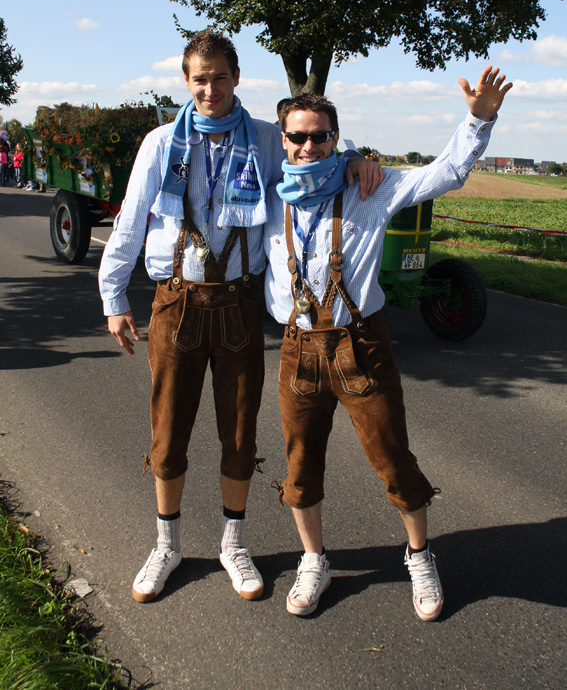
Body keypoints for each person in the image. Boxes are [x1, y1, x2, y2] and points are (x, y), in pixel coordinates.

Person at [98, 30, 381, 605]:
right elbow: (130, 222)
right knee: (168, 428)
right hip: (175, 301)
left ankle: (233, 541)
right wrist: (114, 297)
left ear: (236, 77)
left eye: (219, 77)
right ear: (186, 81)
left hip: (239, 303)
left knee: (239, 428)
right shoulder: (160, 143)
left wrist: (354, 158)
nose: (210, 89)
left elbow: (314, 157)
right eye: (199, 79)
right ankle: (167, 543)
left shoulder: (262, 138)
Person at [264, 66, 512, 620]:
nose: (308, 146)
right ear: (283, 140)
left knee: (393, 459)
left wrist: (478, 118)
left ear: (336, 138)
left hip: (361, 346)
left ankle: (419, 555)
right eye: (298, 136)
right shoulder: (265, 195)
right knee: (300, 464)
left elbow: (446, 172)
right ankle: (314, 560)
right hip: (298, 350)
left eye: (321, 136)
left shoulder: (367, 189)